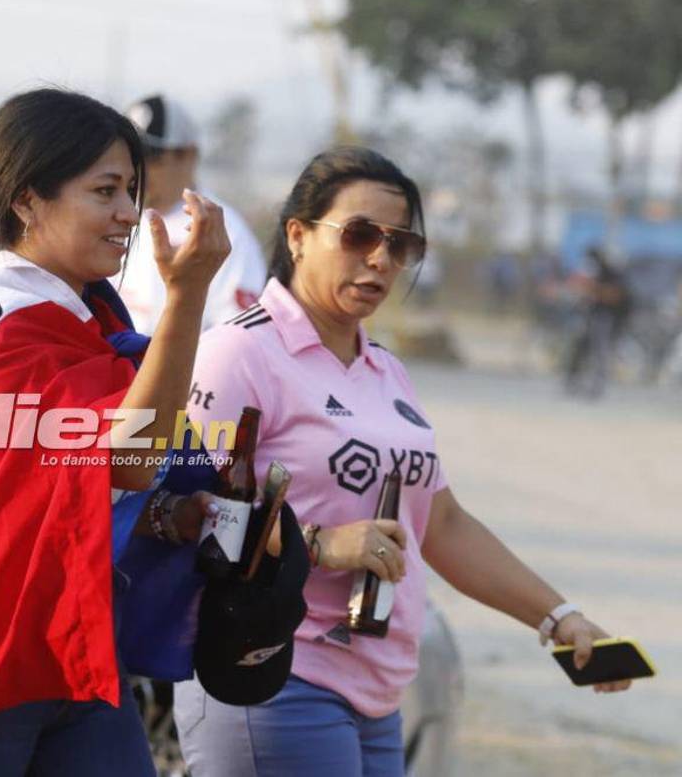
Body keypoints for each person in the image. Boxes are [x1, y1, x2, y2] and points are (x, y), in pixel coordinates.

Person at [172, 146, 631, 777]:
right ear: (298, 235)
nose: (381, 260)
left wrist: (558, 616)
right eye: (359, 235)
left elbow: (440, 523)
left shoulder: (385, 371)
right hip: (272, 673)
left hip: (378, 695)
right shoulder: (238, 354)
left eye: (402, 244)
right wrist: (320, 543)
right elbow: (181, 509)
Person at [0, 88, 230, 776]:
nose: (129, 212)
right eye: (106, 190)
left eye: (132, 189)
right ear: (28, 200)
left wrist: (168, 512)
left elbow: (69, 484)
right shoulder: (7, 321)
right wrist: (186, 297)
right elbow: (130, 455)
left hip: (63, 652)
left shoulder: (80, 311)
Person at [119, 93, 268, 333]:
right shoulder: (115, 219)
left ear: (188, 155)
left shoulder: (221, 229)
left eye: (151, 157)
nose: (139, 168)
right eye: (131, 156)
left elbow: (238, 333)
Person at [564, 245, 632, 398]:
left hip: (606, 318)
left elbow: (614, 295)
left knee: (600, 353)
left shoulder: (613, 274)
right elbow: (580, 290)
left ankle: (597, 386)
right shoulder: (596, 273)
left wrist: (593, 289)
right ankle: (573, 382)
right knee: (580, 349)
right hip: (591, 316)